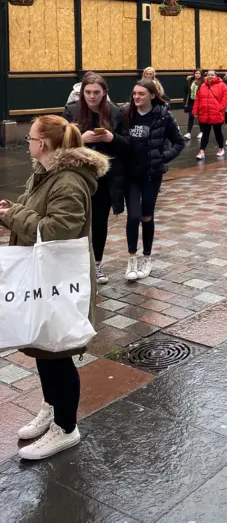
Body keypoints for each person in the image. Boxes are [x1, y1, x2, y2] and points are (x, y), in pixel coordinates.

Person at [0, 115, 109, 460]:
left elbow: (58, 230)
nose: (28, 142)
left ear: (43, 143)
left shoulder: (68, 182)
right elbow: (39, 215)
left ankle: (66, 426)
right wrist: (13, 210)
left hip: (60, 281)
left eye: (31, 137)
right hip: (45, 277)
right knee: (43, 349)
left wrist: (12, 216)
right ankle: (51, 408)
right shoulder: (45, 174)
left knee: (58, 354)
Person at [63, 73, 129, 286]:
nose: (92, 97)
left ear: (104, 93)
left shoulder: (116, 112)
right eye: (88, 92)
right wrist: (81, 139)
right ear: (82, 92)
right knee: (75, 220)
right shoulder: (72, 111)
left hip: (105, 178)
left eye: (96, 92)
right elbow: (59, 143)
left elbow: (128, 145)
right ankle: (76, 264)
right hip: (77, 176)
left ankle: (97, 263)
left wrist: (112, 138)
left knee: (100, 221)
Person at [123, 79, 184, 282]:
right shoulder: (126, 114)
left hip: (152, 174)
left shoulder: (163, 115)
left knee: (146, 216)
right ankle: (132, 259)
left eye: (141, 94)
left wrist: (163, 157)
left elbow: (179, 141)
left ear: (152, 95)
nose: (137, 98)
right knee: (133, 216)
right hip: (131, 174)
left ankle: (146, 258)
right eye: (134, 94)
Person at [192, 69, 227, 160]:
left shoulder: (222, 85)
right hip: (204, 114)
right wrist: (195, 111)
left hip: (216, 113)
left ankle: (221, 148)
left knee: (218, 132)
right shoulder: (202, 86)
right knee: (205, 133)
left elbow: (226, 97)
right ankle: (201, 151)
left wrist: (220, 108)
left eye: (212, 75)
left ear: (216, 76)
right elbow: (198, 100)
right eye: (209, 75)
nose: (210, 76)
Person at [183, 70, 203, 140]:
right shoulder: (190, 81)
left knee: (200, 117)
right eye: (196, 73)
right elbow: (186, 92)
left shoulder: (203, 82)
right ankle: (188, 133)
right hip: (191, 101)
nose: (197, 75)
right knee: (191, 116)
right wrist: (185, 102)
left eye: (199, 73)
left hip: (200, 102)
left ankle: (201, 131)